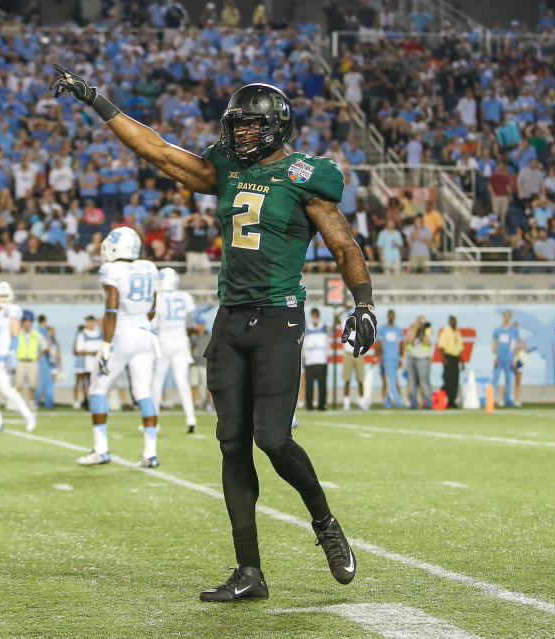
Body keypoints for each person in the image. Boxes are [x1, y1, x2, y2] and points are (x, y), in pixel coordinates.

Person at [50, 68, 375, 598]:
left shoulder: (305, 176)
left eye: (249, 127)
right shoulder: (223, 167)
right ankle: (249, 571)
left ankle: (325, 524)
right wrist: (97, 101)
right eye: (235, 126)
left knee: (272, 438)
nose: (238, 136)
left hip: (278, 316)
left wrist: (364, 305)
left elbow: (343, 246)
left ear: (275, 127)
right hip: (231, 318)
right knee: (231, 444)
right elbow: (159, 152)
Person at [73, 227, 159, 467]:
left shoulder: (112, 270)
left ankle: (101, 449)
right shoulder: (149, 267)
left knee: (98, 388)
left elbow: (111, 311)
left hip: (122, 334)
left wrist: (106, 345)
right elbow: (152, 307)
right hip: (145, 334)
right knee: (143, 391)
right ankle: (150, 454)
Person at [0, 282, 36, 432]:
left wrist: (11, 352)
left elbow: (15, 334)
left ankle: (28, 415)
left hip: (4, 356)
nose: (3, 299)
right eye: (1, 296)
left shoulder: (12, 310)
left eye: (5, 296)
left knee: (5, 388)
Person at [152, 267, 198, 432]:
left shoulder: (158, 298)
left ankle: (154, 421)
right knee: (182, 380)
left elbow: (153, 325)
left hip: (164, 341)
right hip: (181, 342)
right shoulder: (184, 297)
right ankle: (191, 418)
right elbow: (190, 323)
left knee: (157, 381)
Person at [12, 311, 49, 409]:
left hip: (32, 362)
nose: (27, 324)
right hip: (20, 361)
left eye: (29, 322)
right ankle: (19, 403)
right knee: (18, 383)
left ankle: (31, 402)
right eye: (25, 321)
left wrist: (38, 357)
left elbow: (45, 346)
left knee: (32, 383)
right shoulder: (18, 333)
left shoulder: (36, 334)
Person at [339, 304, 367, 411]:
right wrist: (344, 309)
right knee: (347, 380)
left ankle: (362, 402)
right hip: (348, 354)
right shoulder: (344, 324)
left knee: (360, 380)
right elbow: (336, 316)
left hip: (359, 354)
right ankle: (346, 403)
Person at [376, 310, 405, 408]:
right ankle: (397, 400)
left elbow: (401, 345)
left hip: (395, 358)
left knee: (392, 380)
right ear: (388, 316)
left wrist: (401, 358)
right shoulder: (383, 329)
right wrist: (378, 356)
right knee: (390, 381)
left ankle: (387, 402)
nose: (391, 317)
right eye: (390, 315)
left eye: (393, 315)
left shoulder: (398, 330)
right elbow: (379, 344)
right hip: (386, 358)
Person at [302, 308, 329, 411]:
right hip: (310, 361)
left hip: (322, 360)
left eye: (316, 315)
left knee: (322, 385)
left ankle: (322, 405)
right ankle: (309, 405)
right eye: (313, 315)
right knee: (309, 385)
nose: (314, 317)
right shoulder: (307, 328)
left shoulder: (324, 327)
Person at [492, 310, 520, 407]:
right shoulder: (498, 330)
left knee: (509, 380)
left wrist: (515, 359)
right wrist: (494, 357)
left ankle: (508, 399)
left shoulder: (514, 331)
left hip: (509, 359)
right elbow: (495, 344)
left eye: (508, 316)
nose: (506, 318)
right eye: (505, 316)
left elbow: (517, 345)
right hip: (499, 359)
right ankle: (491, 400)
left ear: (510, 318)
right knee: (495, 380)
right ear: (503, 317)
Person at [73, 316, 102, 409]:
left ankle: (99, 404)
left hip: (98, 364)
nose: (90, 324)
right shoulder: (82, 334)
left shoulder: (99, 333)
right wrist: (91, 352)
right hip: (88, 365)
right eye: (88, 322)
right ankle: (91, 405)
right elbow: (78, 349)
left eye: (92, 321)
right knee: (89, 385)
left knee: (99, 384)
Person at [405, 316, 433, 409]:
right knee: (412, 383)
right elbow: (409, 341)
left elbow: (428, 343)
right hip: (412, 359)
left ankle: (428, 404)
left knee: (424, 383)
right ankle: (413, 404)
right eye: (419, 322)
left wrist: (423, 331)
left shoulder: (428, 330)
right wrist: (415, 330)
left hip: (423, 360)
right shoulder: (413, 330)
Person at [438, 315, 464, 408]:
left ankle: (452, 401)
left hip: (455, 359)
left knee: (455, 380)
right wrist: (444, 359)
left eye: (455, 321)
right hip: (448, 358)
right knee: (447, 380)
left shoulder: (457, 333)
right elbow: (441, 347)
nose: (454, 322)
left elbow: (460, 348)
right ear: (449, 322)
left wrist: (462, 362)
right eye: (452, 321)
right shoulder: (446, 331)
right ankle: (444, 400)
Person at [189, 318, 212, 410]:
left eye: (201, 324)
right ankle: (196, 402)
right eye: (198, 324)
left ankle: (208, 403)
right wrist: (190, 359)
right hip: (195, 363)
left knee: (207, 386)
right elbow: (191, 348)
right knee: (194, 384)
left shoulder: (208, 336)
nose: (199, 326)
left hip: (205, 363)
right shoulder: (193, 336)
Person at [512, 324, 528, 408]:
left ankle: (516, 399)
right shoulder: (510, 339)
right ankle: (508, 398)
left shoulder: (519, 340)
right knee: (509, 381)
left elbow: (524, 351)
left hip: (519, 364)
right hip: (510, 362)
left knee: (517, 382)